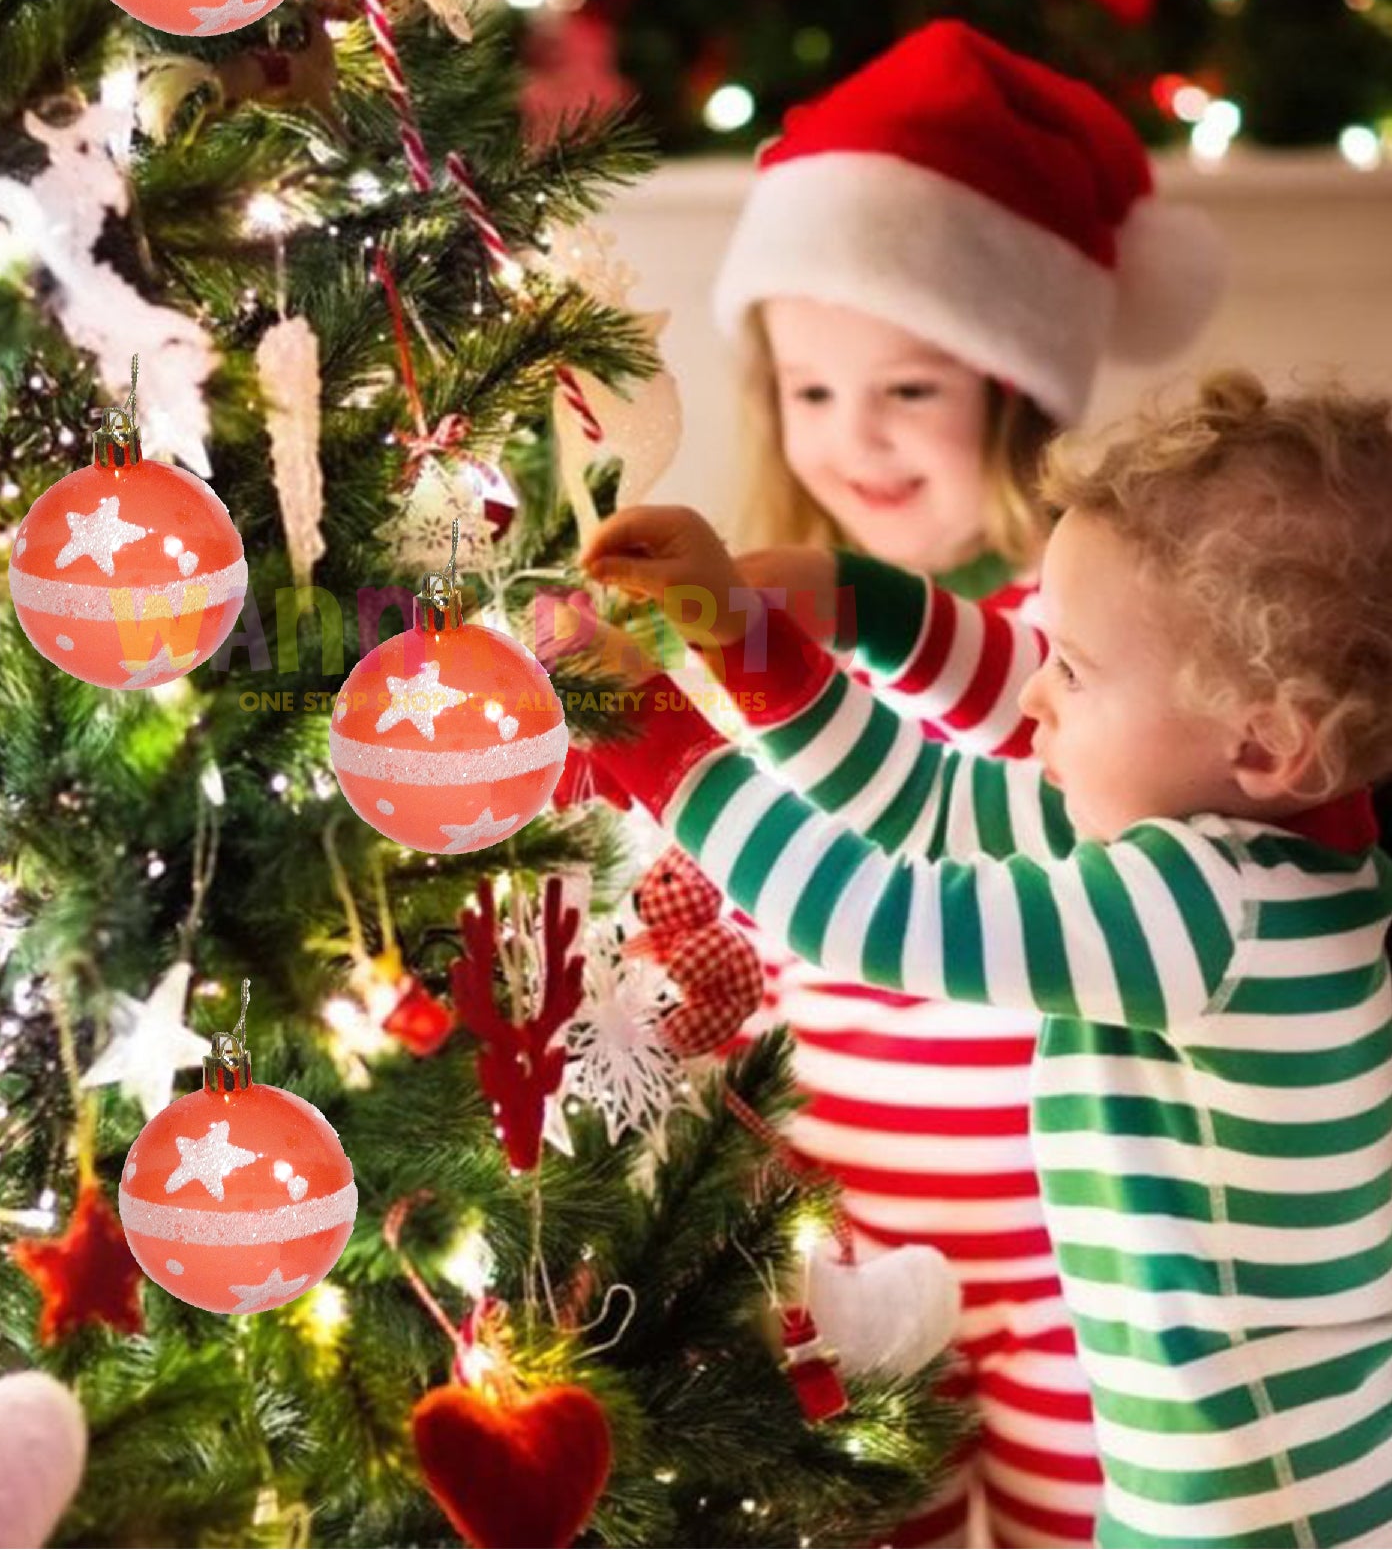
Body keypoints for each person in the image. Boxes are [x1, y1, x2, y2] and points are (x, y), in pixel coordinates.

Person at [577, 369, 1392, 1548]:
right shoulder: (1260, 853)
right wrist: (745, 630)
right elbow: (927, 802)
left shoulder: (1203, 913)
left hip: (1248, 1521)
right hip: (1256, 1491)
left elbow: (869, 908)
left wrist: (656, 734)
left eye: (1073, 669)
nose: (1035, 700)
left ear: (1265, 743)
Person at [698, 18, 1225, 1547]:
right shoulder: (764, 640)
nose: (850, 438)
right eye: (810, 393)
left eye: (908, 392)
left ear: (1011, 390)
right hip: (851, 1222)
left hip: (1080, 1237)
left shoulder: (1087, 632)